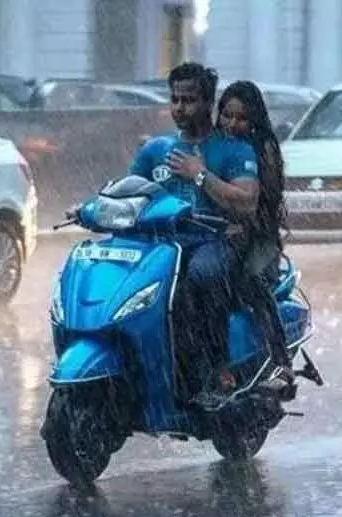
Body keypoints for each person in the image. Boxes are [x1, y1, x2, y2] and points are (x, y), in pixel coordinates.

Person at [126, 62, 260, 405]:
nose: (179, 108)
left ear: (207, 103)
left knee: (195, 280)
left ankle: (214, 372)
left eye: (188, 100)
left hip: (214, 243)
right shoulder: (156, 150)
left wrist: (200, 175)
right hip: (162, 246)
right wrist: (89, 208)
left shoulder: (233, 149)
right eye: (174, 99)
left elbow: (246, 203)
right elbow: (127, 190)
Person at [215, 80, 293, 381]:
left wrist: (242, 225)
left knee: (250, 283)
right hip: (215, 235)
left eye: (241, 118)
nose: (233, 124)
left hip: (259, 239)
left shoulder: (263, 148)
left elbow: (264, 203)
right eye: (227, 115)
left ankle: (279, 358)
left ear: (254, 119)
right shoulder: (211, 146)